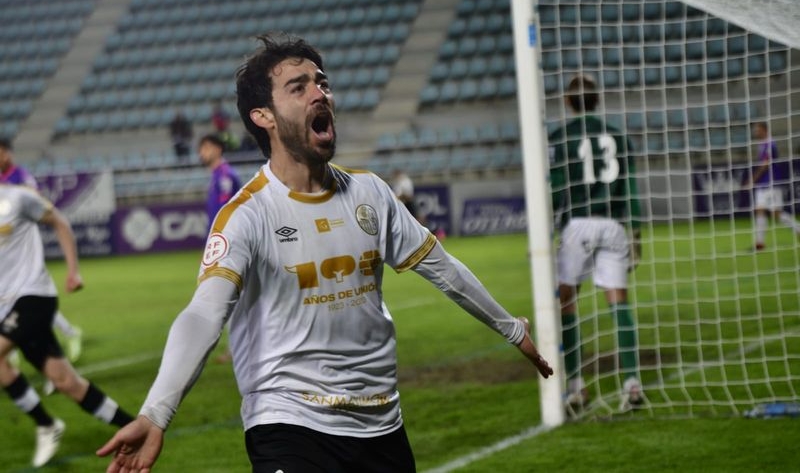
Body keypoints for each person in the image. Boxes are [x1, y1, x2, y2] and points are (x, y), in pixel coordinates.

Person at [97, 34, 553, 473]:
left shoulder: (371, 193)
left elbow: (443, 268)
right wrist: (156, 411)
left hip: (383, 427)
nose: (320, 93)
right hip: (288, 426)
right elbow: (203, 313)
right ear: (264, 116)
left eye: (323, 83)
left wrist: (511, 328)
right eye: (299, 87)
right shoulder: (246, 215)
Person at [0, 183, 134, 468]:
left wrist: (73, 271)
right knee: (66, 382)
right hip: (6, 308)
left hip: (34, 296)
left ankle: (45, 423)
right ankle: (133, 427)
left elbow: (59, 222)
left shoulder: (18, 198)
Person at [548, 74, 643, 413]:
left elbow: (556, 187)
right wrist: (636, 230)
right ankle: (632, 384)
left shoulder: (561, 137)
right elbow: (631, 185)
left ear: (569, 102)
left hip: (579, 223)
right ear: (597, 101)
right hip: (614, 225)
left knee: (565, 301)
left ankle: (576, 386)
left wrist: (549, 230)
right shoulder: (617, 136)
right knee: (619, 302)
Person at [0, 137, 83, 365]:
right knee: (21, 303)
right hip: (6, 254)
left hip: (22, 249)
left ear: (7, 153)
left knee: (30, 300)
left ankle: (67, 334)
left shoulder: (21, 177)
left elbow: (36, 205)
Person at [197, 133, 242, 363]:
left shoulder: (225, 175)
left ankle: (236, 350)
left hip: (227, 244)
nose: (200, 153)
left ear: (216, 148)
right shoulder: (219, 175)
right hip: (222, 244)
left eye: (204, 147)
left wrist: (218, 247)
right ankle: (235, 349)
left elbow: (226, 211)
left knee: (228, 297)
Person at [743, 121, 800, 250]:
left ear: (764, 130)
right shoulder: (762, 144)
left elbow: (766, 164)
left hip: (772, 182)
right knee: (760, 210)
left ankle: (798, 228)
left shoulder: (769, 143)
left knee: (776, 213)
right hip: (764, 183)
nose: (755, 132)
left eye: (757, 130)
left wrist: (753, 179)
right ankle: (759, 243)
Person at [197, 134, 243, 232]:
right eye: (201, 149)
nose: (202, 152)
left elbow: (224, 209)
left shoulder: (224, 175)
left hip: (224, 235)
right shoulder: (217, 174)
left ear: (218, 149)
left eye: (206, 148)